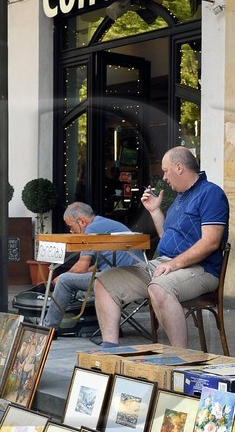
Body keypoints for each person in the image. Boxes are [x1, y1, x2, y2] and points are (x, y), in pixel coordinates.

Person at [94, 146, 227, 349]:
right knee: (104, 282)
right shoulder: (179, 199)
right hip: (166, 265)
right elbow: (168, 240)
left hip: (201, 269)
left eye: (166, 171)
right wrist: (155, 211)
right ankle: (110, 349)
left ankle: (181, 358)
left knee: (159, 288)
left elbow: (211, 242)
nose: (164, 177)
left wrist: (173, 264)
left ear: (179, 167)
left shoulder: (211, 194)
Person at [39, 202, 146, 331]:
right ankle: (90, 324)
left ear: (82, 221)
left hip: (120, 279)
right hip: (136, 276)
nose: (71, 232)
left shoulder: (91, 229)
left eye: (72, 227)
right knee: (74, 283)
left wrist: (60, 276)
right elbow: (94, 267)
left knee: (64, 281)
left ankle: (49, 328)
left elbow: (82, 267)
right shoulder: (104, 224)